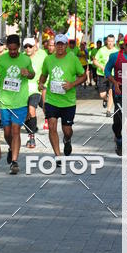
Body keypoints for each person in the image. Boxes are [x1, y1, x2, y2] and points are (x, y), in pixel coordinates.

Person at [0, 35, 34, 174]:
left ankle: (14, 162)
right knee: (7, 133)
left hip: (20, 102)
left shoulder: (25, 59)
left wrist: (28, 73)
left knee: (16, 131)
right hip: (5, 102)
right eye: (11, 49)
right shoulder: (1, 59)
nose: (13, 52)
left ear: (19, 47)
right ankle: (11, 148)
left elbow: (33, 74)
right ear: (7, 47)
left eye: (15, 49)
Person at [38, 33, 86, 162]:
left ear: (66, 45)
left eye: (62, 44)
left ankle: (67, 140)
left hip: (68, 102)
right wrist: (41, 83)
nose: (59, 47)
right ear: (54, 45)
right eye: (57, 44)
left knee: (67, 130)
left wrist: (72, 84)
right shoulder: (48, 59)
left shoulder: (73, 59)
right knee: (52, 126)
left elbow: (83, 76)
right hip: (52, 100)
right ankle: (58, 155)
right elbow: (43, 75)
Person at [23, 37, 47, 148]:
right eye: (25, 47)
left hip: (35, 90)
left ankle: (31, 137)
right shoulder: (20, 58)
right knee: (25, 115)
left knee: (32, 110)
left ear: (35, 47)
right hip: (21, 91)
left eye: (30, 46)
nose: (28, 49)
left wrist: (43, 84)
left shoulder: (42, 56)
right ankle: (31, 130)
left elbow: (47, 71)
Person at [93, 35, 116, 115]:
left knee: (111, 92)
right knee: (102, 94)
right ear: (106, 41)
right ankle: (105, 99)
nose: (110, 43)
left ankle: (108, 110)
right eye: (109, 41)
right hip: (101, 75)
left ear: (114, 42)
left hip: (112, 74)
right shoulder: (101, 50)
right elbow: (95, 61)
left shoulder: (116, 51)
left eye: (111, 41)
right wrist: (101, 67)